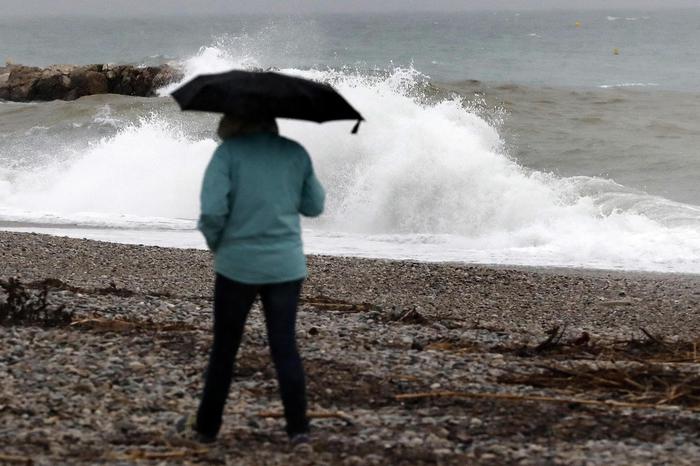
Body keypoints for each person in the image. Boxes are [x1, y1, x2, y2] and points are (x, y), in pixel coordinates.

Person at [176, 115, 325, 449]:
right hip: (286, 266)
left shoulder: (227, 154)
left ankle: (207, 428)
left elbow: (213, 212)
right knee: (284, 346)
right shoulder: (295, 153)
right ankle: (298, 432)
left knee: (225, 350)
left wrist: (219, 245)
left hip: (236, 265)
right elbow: (314, 206)